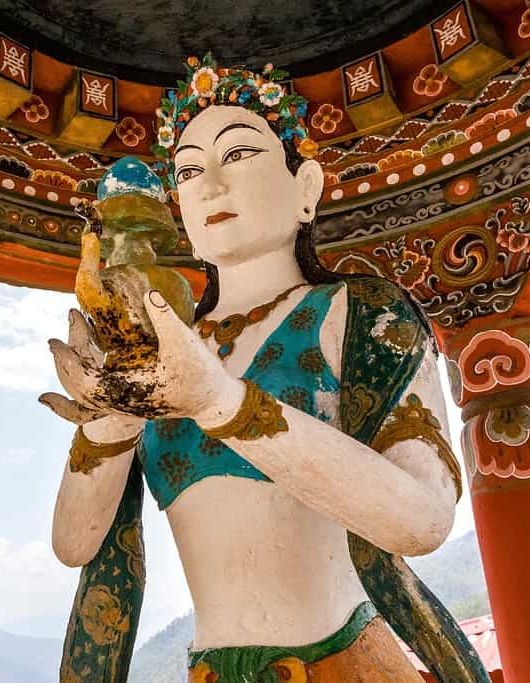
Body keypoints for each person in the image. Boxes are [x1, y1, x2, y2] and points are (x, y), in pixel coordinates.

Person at [41, 56, 486, 683]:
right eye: (189, 170)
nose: (209, 185)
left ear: (305, 188)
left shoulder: (358, 311)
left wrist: (224, 403)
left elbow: (422, 518)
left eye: (239, 155)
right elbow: (75, 546)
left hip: (347, 661)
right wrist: (108, 423)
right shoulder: (159, 347)